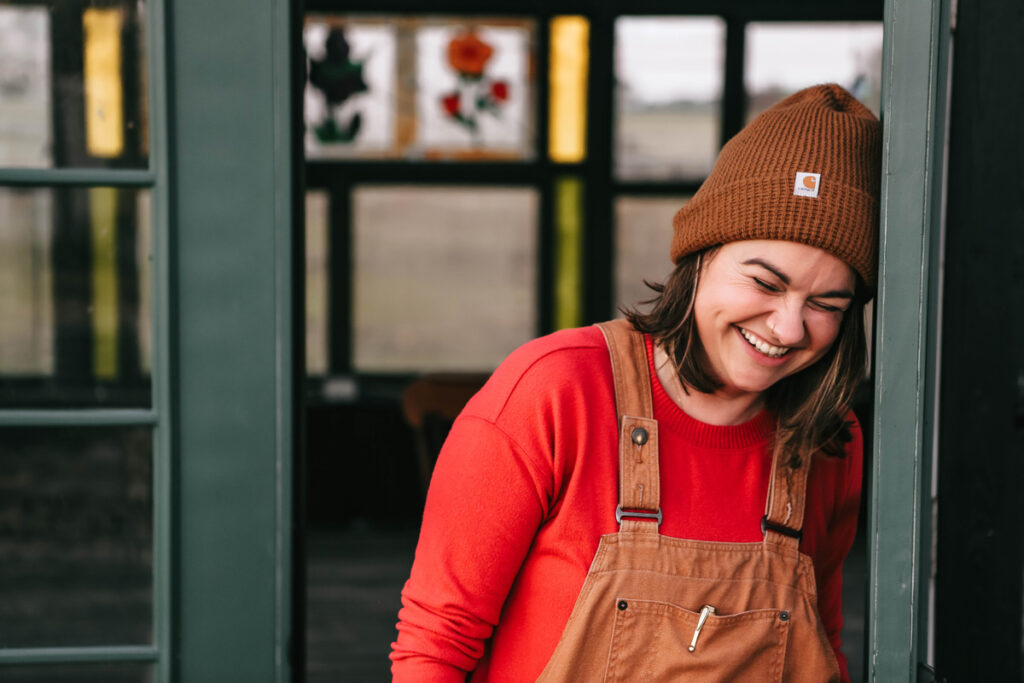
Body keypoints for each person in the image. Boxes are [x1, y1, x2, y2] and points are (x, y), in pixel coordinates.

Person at [391, 83, 880, 682]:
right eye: (765, 283)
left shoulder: (828, 443)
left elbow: (822, 649)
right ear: (700, 256)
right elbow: (435, 646)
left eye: (827, 302)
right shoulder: (555, 393)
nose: (787, 327)